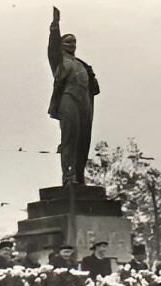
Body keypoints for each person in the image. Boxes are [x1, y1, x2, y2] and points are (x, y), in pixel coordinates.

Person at [48, 7, 100, 185]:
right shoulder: (59, 60)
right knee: (70, 136)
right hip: (68, 97)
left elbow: (94, 88)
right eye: (68, 41)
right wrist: (55, 26)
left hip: (84, 100)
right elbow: (53, 46)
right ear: (61, 44)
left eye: (74, 42)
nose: (72, 44)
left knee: (83, 138)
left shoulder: (81, 64)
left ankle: (79, 176)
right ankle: (68, 176)